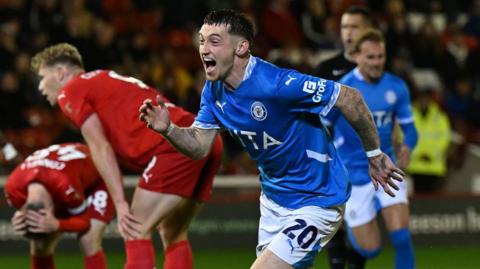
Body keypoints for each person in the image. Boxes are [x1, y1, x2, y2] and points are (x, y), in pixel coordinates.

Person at [139, 9, 404, 269]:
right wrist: (169, 129)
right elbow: (199, 146)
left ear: (241, 47)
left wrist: (374, 155)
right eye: (201, 40)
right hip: (274, 204)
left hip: (317, 199)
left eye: (214, 41)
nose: (204, 49)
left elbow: (350, 98)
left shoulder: (277, 84)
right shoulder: (214, 91)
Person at [30, 44, 224, 269]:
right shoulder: (102, 80)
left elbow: (100, 146)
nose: (41, 87)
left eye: (42, 78)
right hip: (203, 137)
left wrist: (120, 203)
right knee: (173, 232)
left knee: (135, 229)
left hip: (173, 143)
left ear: (60, 73)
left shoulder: (71, 90)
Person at [324, 29, 418, 269]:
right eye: (370, 57)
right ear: (356, 57)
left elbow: (411, 130)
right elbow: (323, 128)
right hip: (354, 177)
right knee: (371, 249)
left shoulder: (397, 87)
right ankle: (348, 238)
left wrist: (407, 146)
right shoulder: (343, 90)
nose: (376, 63)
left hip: (387, 168)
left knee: (401, 236)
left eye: (380, 56)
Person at [315, 6, 374, 269]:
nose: (348, 33)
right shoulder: (327, 68)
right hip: (335, 157)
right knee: (335, 219)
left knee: (362, 220)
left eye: (355, 27)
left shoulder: (376, 68)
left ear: (368, 31)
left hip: (367, 159)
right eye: (344, 27)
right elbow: (315, 115)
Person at [4, 143, 114, 269]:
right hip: (63, 176)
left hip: (99, 177)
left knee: (88, 240)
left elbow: (84, 221)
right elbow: (30, 217)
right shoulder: (13, 191)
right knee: (40, 246)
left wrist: (57, 224)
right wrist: (21, 218)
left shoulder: (65, 185)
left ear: (52, 209)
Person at [407, 87, 451, 193]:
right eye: (421, 99)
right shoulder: (408, 116)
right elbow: (402, 138)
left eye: (426, 99)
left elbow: (444, 140)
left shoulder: (440, 117)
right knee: (415, 200)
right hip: (414, 166)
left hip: (434, 166)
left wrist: (430, 154)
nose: (423, 102)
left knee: (434, 202)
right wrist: (418, 154)